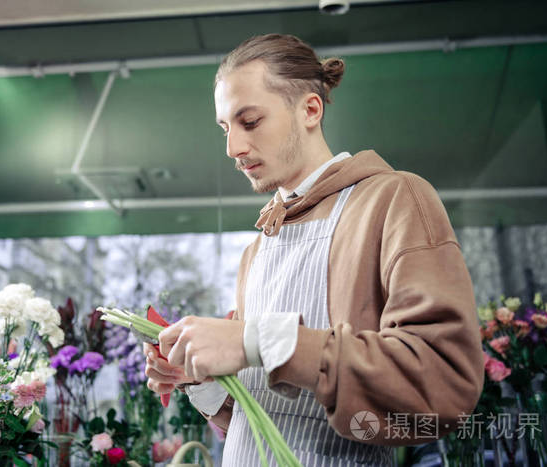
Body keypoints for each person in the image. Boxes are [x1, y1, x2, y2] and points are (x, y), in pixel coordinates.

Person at [144, 33, 484, 466]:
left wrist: (262, 340)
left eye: (250, 122)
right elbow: (263, 422)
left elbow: (443, 389)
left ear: (310, 109)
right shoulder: (258, 251)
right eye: (226, 128)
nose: (233, 149)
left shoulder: (394, 200)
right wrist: (202, 382)